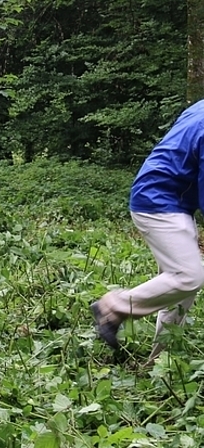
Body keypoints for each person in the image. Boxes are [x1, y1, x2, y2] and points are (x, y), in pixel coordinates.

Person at [90, 100, 204, 360]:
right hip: (160, 202)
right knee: (189, 277)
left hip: (166, 198)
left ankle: (161, 361)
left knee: (181, 286)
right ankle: (112, 306)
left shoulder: (201, 107)